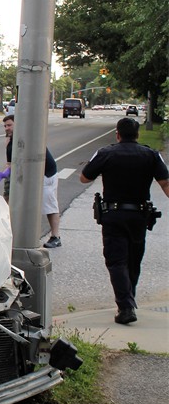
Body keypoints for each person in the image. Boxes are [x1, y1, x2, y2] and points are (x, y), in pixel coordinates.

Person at [79, 117, 169, 324]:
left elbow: (85, 178)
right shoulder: (151, 155)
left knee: (116, 261)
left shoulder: (106, 153)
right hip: (139, 216)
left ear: (117, 134)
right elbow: (165, 183)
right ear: (137, 135)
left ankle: (126, 306)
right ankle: (129, 298)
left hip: (113, 215)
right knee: (133, 260)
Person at [0, 114, 62, 247]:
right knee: (13, 201)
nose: (6, 128)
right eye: (5, 126)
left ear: (18, 125)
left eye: (9, 125)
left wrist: (10, 172)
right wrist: (5, 174)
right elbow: (10, 163)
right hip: (30, 175)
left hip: (45, 174)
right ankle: (13, 233)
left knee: (49, 205)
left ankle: (56, 236)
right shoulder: (10, 141)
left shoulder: (28, 138)